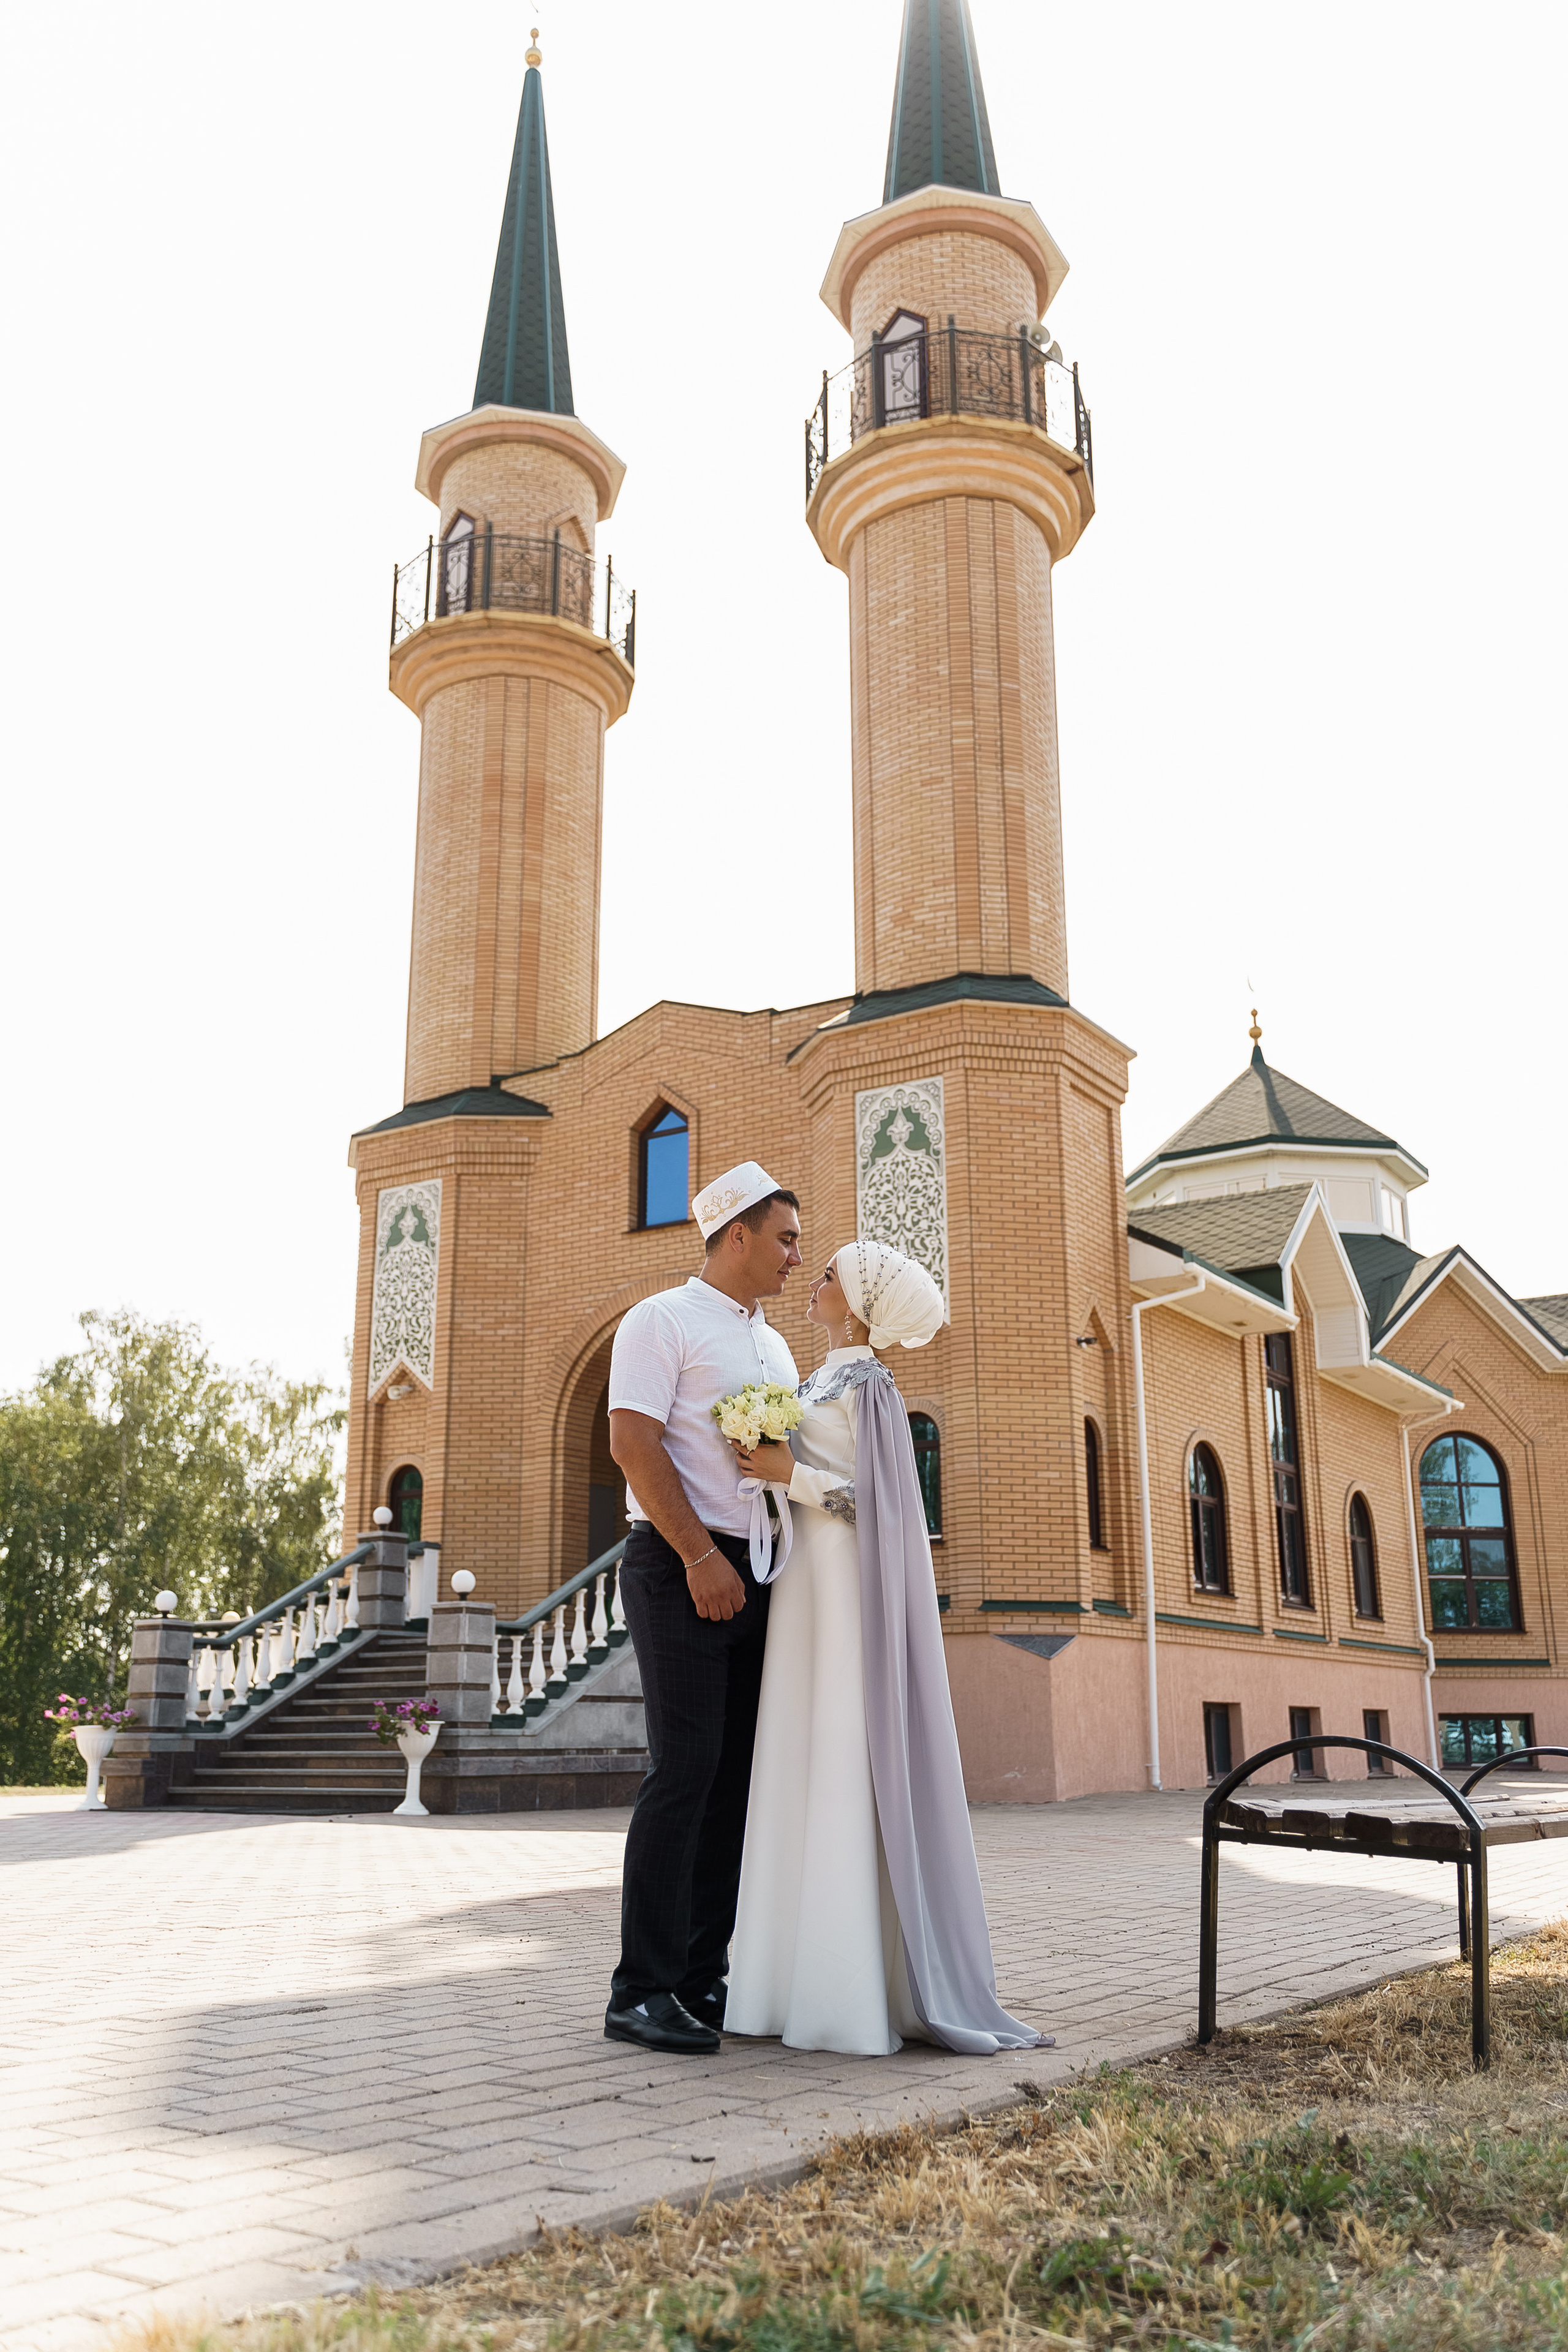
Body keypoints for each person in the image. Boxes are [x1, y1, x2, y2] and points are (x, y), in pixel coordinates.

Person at [725, 1240, 1047, 2057]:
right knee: (795, 1753)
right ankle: (776, 1985)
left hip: (843, 1592)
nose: (816, 1282)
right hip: (804, 1587)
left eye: (830, 1275)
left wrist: (783, 1472)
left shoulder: (870, 1385)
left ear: (860, 1302)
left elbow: (882, 1507)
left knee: (836, 1753)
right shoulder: (822, 1376)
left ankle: (843, 1996)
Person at [603, 1161, 803, 2056]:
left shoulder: (776, 1345)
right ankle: (638, 1991)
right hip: (681, 1568)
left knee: (733, 1786)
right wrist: (697, 1555)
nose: (798, 1255)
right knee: (683, 1773)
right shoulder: (661, 1320)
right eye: (786, 1238)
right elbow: (633, 1444)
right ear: (736, 1237)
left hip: (759, 1573)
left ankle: (698, 1981)